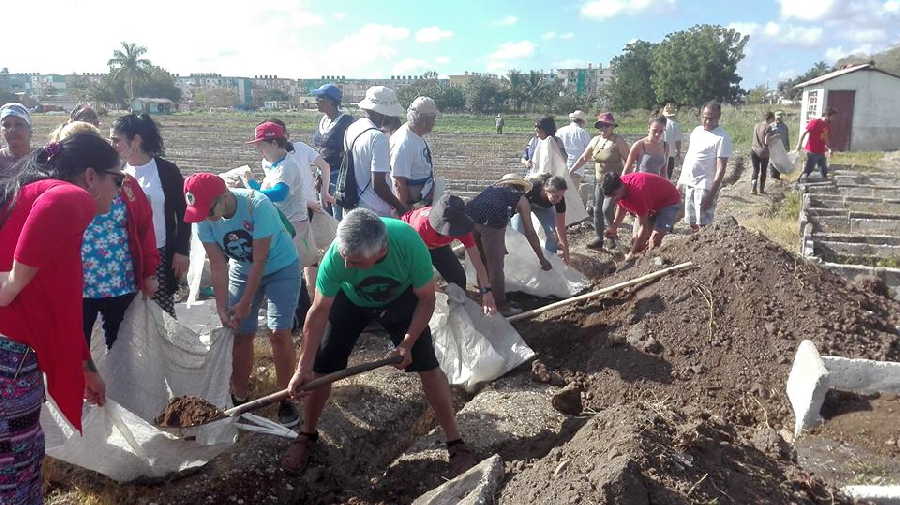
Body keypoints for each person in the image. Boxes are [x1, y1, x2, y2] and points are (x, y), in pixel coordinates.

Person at [283, 208, 478, 475]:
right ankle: (307, 435)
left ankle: (456, 443)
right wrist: (302, 368)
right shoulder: (336, 258)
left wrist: (407, 342)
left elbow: (426, 299)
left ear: (381, 252)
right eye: (345, 258)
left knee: (428, 366)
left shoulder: (409, 244)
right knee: (322, 367)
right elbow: (317, 312)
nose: (347, 265)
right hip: (350, 301)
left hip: (401, 299)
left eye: (355, 262)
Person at [1, 133, 118, 505]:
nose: (119, 191)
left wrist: (84, 364)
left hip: (15, 352)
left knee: (22, 452)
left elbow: (59, 300)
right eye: (118, 179)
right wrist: (14, 280)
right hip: (10, 359)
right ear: (90, 177)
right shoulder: (72, 197)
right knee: (13, 467)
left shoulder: (27, 191)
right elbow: (60, 201)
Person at [185, 173, 302, 427]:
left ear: (224, 195)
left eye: (209, 209)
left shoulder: (256, 205)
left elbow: (260, 260)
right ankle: (239, 397)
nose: (206, 216)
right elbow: (217, 265)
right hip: (242, 268)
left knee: (278, 332)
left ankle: (286, 397)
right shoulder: (203, 218)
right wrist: (221, 307)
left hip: (280, 267)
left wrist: (247, 301)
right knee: (240, 331)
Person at [53, 122, 160, 350]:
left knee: (121, 348)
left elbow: (144, 227)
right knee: (75, 347)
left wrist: (149, 272)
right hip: (76, 286)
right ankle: (82, 385)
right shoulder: (58, 187)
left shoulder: (124, 183)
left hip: (120, 281)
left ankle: (117, 386)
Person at [112, 114, 190, 317]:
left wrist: (182, 250)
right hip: (125, 255)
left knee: (162, 313)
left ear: (136, 140)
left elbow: (184, 213)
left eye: (117, 140)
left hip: (159, 254)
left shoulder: (167, 171)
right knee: (129, 315)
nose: (114, 146)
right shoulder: (116, 173)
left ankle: (166, 350)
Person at [465, 174, 552, 316]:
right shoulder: (521, 199)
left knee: (481, 263)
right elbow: (530, 232)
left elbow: (497, 221)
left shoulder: (492, 191)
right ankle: (500, 305)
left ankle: (485, 299)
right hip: (491, 224)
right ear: (521, 188)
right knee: (496, 268)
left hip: (469, 219)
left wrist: (500, 245)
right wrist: (541, 258)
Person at [401, 193, 496, 315]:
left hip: (438, 245)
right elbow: (420, 271)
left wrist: (487, 291)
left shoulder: (462, 228)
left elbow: (478, 263)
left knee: (458, 277)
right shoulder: (421, 228)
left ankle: (458, 310)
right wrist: (438, 293)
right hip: (411, 243)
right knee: (419, 289)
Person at [339, 86, 407, 217]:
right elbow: (379, 185)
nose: (393, 118)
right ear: (381, 113)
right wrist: (400, 207)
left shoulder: (352, 128)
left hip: (352, 205)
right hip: (374, 211)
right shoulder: (378, 138)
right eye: (391, 114)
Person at [570, 112, 630, 250]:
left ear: (612, 127)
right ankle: (599, 238)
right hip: (599, 181)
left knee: (607, 209)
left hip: (614, 183)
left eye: (607, 126)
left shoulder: (618, 141)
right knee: (597, 210)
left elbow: (628, 161)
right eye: (601, 126)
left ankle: (612, 236)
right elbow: (584, 158)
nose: (603, 129)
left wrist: (626, 178)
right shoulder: (596, 140)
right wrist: (571, 170)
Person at [677, 102, 733, 231]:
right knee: (691, 221)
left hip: (705, 187)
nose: (707, 121)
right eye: (704, 117)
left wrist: (711, 195)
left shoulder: (722, 137)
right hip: (690, 184)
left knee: (703, 224)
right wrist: (680, 182)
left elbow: (721, 169)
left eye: (711, 118)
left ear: (718, 117)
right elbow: (689, 157)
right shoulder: (697, 131)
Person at [601, 172, 681, 261]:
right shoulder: (620, 191)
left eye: (614, 196)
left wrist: (631, 253)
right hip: (652, 204)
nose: (613, 199)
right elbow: (622, 207)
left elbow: (644, 227)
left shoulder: (637, 193)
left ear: (620, 187)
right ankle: (642, 260)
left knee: (654, 239)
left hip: (669, 202)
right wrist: (614, 227)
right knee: (638, 243)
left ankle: (651, 264)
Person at [311, 84, 354, 220]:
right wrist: (318, 175)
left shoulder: (346, 122)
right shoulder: (323, 121)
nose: (316, 101)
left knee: (338, 217)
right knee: (326, 216)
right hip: (322, 176)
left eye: (320, 98)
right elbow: (320, 151)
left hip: (338, 177)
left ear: (331, 101)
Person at [512, 173, 570, 264]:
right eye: (556, 196)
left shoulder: (559, 201)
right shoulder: (530, 189)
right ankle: (520, 261)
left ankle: (550, 261)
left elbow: (560, 228)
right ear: (546, 190)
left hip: (544, 208)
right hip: (523, 204)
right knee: (518, 233)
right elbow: (529, 231)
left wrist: (567, 255)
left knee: (552, 234)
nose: (559, 199)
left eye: (561, 196)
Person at [391, 96, 438, 208]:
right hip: (412, 205)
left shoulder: (416, 135)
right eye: (433, 118)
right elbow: (399, 182)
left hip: (420, 201)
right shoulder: (404, 143)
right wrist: (405, 213)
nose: (434, 122)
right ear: (423, 120)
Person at [796, 107, 837, 181]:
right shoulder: (815, 122)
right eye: (833, 117)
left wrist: (829, 149)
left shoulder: (827, 126)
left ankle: (825, 184)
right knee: (808, 170)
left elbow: (825, 139)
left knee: (824, 170)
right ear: (827, 116)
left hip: (821, 152)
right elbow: (804, 133)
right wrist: (799, 145)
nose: (834, 119)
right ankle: (799, 183)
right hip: (812, 151)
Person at [555, 110, 592, 190]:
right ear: (582, 122)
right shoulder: (583, 133)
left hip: (560, 168)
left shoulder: (560, 131)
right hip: (576, 169)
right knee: (572, 197)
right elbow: (589, 151)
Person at [0, 103, 33, 182]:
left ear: (30, 131)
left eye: (19, 124)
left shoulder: (43, 158)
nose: (12, 130)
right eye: (6, 125)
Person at [750, 112, 780, 195]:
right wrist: (775, 136)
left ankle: (753, 187)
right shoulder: (768, 127)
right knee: (763, 171)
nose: (774, 120)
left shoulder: (756, 125)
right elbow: (766, 141)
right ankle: (761, 189)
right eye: (773, 118)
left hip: (754, 150)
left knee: (756, 170)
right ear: (770, 118)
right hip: (763, 153)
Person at [661, 103, 682, 179]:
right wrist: (678, 151)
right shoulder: (675, 124)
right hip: (671, 154)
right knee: (668, 175)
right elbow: (678, 141)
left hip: (660, 153)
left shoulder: (660, 123)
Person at [770, 110, 789, 181]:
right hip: (774, 148)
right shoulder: (771, 126)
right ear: (775, 118)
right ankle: (773, 176)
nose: (778, 119)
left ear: (782, 118)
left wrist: (788, 148)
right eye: (777, 118)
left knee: (781, 162)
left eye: (780, 118)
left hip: (782, 147)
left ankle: (779, 177)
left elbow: (787, 138)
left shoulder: (785, 127)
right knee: (773, 162)